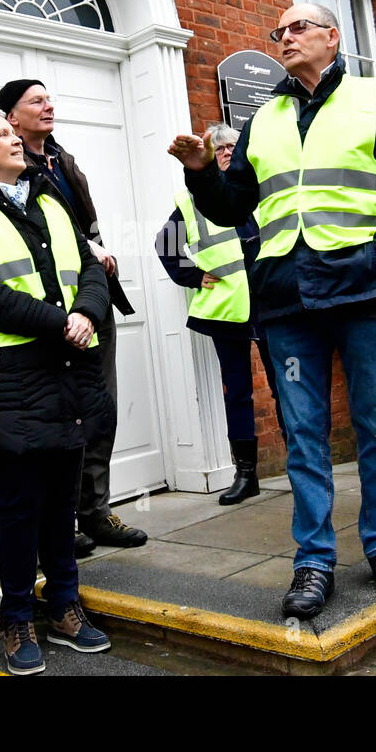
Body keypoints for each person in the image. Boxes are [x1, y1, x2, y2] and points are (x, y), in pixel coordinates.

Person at [169, 2, 376, 617]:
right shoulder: (261, 117)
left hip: (363, 291)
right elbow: (233, 206)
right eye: (280, 31)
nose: (285, 37)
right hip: (286, 297)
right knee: (302, 436)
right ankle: (314, 560)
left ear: (331, 35)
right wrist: (199, 174)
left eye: (299, 27)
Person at [0, 108, 114, 673]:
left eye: (15, 134)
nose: (16, 139)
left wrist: (86, 309)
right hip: (8, 377)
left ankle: (64, 606)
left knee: (62, 502)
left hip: (66, 368)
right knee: (18, 507)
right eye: (2, 135)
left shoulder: (49, 197)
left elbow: (89, 265)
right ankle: (16, 620)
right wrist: (56, 321)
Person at [0, 79, 146, 555]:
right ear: (11, 118)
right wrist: (88, 247)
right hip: (49, 309)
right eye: (36, 101)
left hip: (92, 296)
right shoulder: (8, 166)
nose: (49, 105)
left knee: (99, 406)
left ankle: (95, 511)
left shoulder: (63, 159)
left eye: (49, 97)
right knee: (60, 414)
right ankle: (59, 522)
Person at [155, 123, 286, 504]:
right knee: (237, 392)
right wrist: (192, 275)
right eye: (220, 148)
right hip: (226, 309)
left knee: (287, 387)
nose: (227, 152)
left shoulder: (264, 190)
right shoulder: (193, 199)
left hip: (272, 304)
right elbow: (166, 243)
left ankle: (304, 465)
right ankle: (246, 474)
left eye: (232, 146)